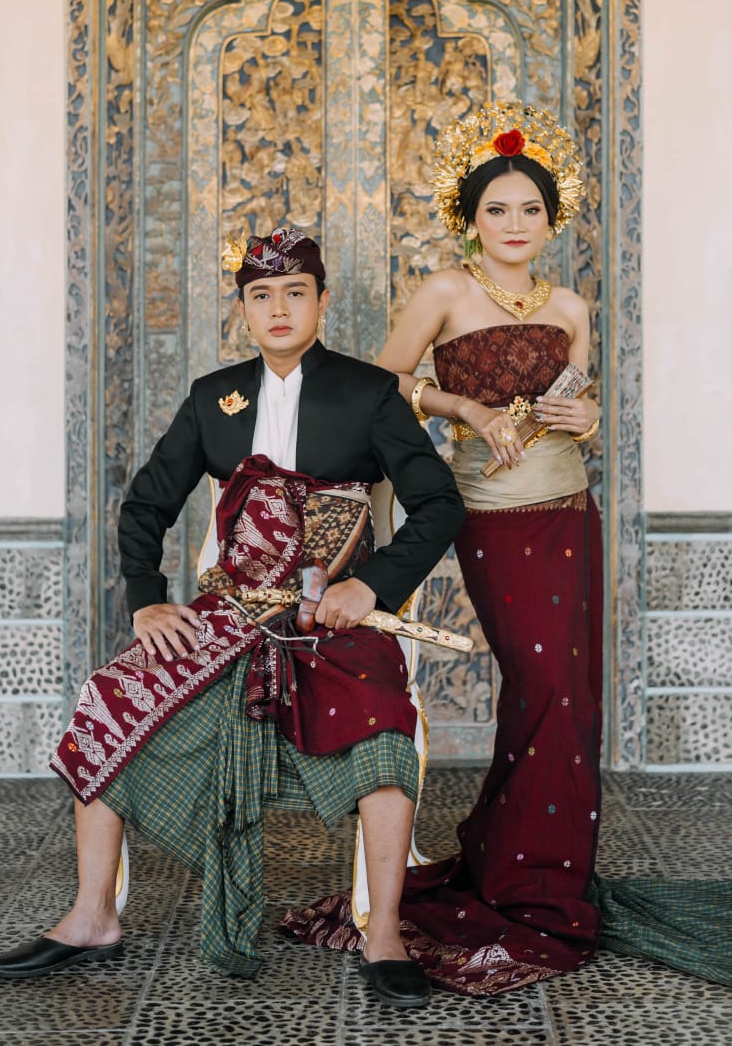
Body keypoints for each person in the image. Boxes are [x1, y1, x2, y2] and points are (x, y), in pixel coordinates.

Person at [0, 226, 465, 1009]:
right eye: (261, 295)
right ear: (242, 308)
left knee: (385, 724)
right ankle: (92, 914)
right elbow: (145, 505)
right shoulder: (214, 399)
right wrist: (147, 597)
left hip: (333, 625)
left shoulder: (369, 392)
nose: (278, 309)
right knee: (109, 693)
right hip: (227, 614)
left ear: (321, 301)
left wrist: (371, 588)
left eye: (295, 293)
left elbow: (440, 503)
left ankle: (382, 931)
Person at [285, 102, 604, 993]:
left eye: (530, 210)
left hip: (570, 509)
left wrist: (586, 415)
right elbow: (379, 383)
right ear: (471, 218)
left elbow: (581, 403)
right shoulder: (444, 292)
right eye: (497, 209)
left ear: (552, 219)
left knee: (572, 697)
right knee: (540, 685)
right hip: (491, 515)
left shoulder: (571, 306)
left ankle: (543, 877)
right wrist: (460, 405)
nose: (515, 224)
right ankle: (521, 878)